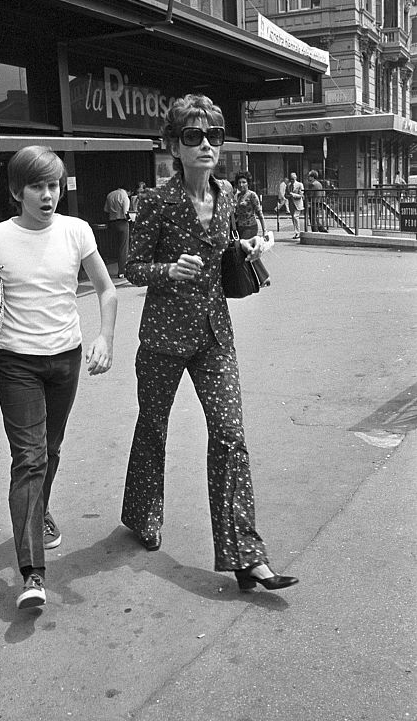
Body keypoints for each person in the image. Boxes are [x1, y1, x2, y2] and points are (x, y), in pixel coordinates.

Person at [121, 94, 298, 593]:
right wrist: (168, 270)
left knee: (229, 434)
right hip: (163, 337)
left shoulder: (230, 197)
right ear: (173, 145)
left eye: (214, 136)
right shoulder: (154, 201)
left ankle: (246, 556)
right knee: (153, 427)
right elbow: (131, 268)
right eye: (193, 136)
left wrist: (248, 247)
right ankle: (142, 515)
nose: (205, 144)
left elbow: (229, 249)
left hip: (215, 335)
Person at [0, 146, 117, 610]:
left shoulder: (76, 231)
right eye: (37, 186)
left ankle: (40, 510)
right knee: (28, 458)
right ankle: (33, 574)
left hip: (65, 359)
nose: (48, 195)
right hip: (17, 364)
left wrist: (105, 338)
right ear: (17, 191)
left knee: (49, 449)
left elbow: (107, 290)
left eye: (54, 185)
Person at [233, 171, 271, 287]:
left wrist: (264, 230)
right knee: (247, 252)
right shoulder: (238, 196)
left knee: (249, 251)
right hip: (240, 227)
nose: (241, 184)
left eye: (244, 182)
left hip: (250, 227)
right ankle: (261, 278)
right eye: (239, 182)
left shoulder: (252, 195)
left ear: (248, 183)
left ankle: (262, 277)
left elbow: (259, 213)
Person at [104, 185, 130, 278]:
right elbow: (125, 211)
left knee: (115, 245)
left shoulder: (110, 195)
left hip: (112, 223)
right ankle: (122, 271)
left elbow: (106, 209)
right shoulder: (124, 196)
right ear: (129, 191)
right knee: (123, 247)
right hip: (122, 223)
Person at [287, 172, 304, 239]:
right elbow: (286, 195)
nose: (292, 180)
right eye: (290, 179)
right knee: (293, 218)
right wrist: (288, 196)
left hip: (298, 204)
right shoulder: (288, 185)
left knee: (295, 217)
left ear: (296, 178)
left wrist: (293, 195)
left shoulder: (300, 184)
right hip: (291, 204)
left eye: (293, 179)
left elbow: (301, 195)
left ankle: (298, 232)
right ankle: (296, 232)